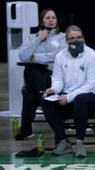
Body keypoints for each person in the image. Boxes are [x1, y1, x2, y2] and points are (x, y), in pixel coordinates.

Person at [41, 25, 95, 158]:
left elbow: (90, 85)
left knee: (80, 99)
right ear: (67, 41)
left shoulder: (93, 56)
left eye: (79, 37)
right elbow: (58, 80)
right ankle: (64, 142)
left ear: (83, 38)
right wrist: (53, 90)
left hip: (92, 97)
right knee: (46, 101)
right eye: (72, 38)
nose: (76, 40)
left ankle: (80, 143)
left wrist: (68, 97)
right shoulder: (60, 56)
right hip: (68, 96)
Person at [15, 8, 66, 142]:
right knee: (30, 70)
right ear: (42, 20)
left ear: (56, 21)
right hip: (34, 73)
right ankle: (46, 96)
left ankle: (26, 130)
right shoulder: (32, 37)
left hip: (52, 74)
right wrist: (38, 39)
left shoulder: (62, 37)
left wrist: (37, 57)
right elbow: (23, 55)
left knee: (28, 92)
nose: (51, 20)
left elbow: (60, 55)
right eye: (47, 18)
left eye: (53, 18)